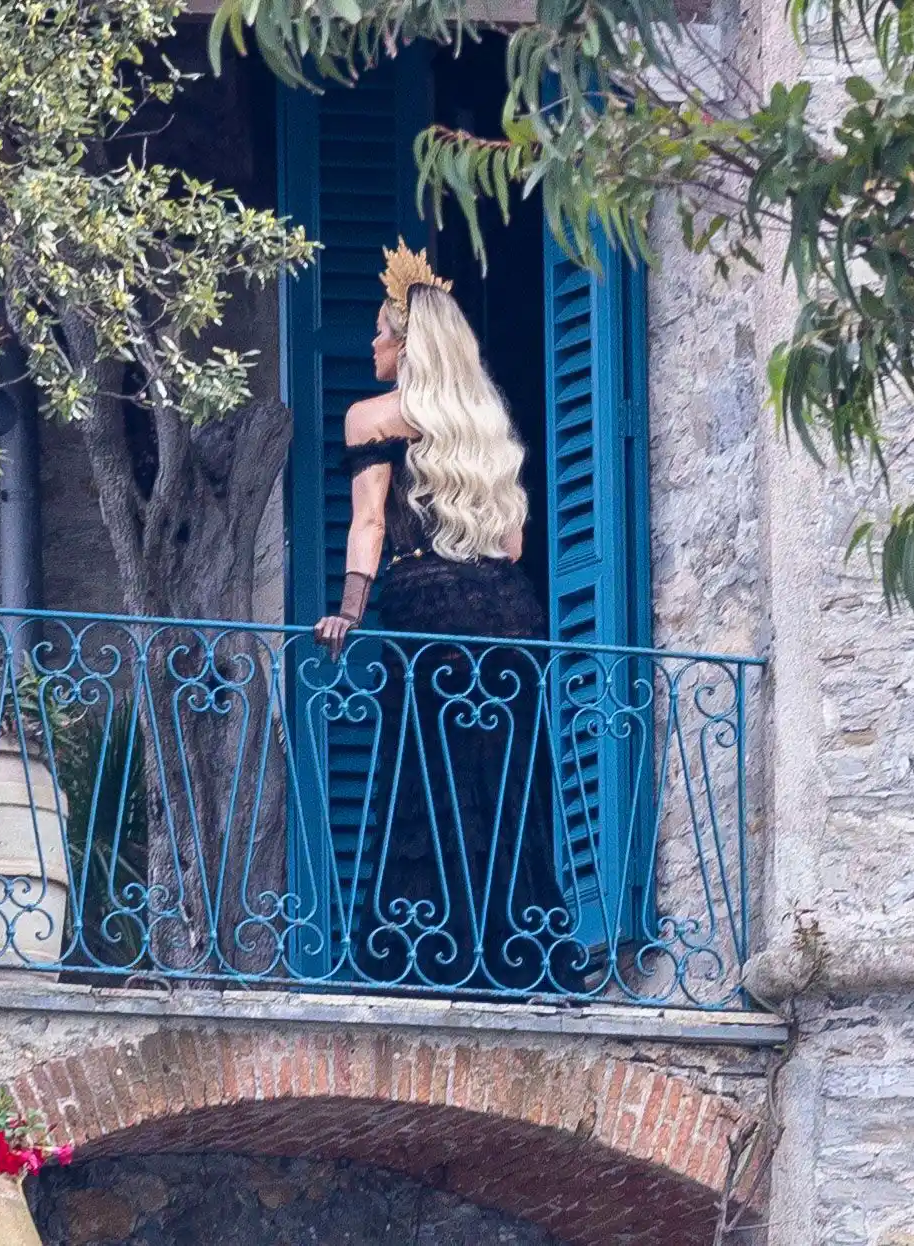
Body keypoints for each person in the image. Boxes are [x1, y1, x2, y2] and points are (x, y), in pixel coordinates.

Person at [313, 239, 587, 996]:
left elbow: (369, 524)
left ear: (407, 345)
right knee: (507, 787)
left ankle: (429, 954)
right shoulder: (484, 424)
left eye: (380, 333)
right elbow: (513, 544)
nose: (372, 345)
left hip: (428, 612)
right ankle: (517, 956)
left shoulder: (371, 417)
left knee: (427, 779)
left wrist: (348, 612)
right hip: (510, 617)